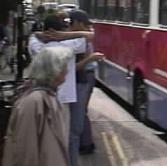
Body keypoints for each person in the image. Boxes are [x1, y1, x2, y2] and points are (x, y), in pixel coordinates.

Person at [28, 14, 96, 166]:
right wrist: (63, 36)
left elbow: (34, 36)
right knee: (64, 137)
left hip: (41, 94)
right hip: (64, 98)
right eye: (64, 29)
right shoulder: (69, 45)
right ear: (57, 31)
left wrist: (44, 34)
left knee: (44, 136)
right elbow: (90, 35)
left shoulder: (35, 43)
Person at [2, 47, 72, 166]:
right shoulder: (33, 102)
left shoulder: (49, 96)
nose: (67, 70)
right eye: (64, 66)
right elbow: (24, 150)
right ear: (54, 70)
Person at [68, 10, 103, 155]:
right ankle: (85, 142)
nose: (69, 26)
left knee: (81, 112)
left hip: (86, 76)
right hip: (86, 75)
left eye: (72, 22)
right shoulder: (80, 36)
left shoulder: (84, 38)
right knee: (82, 111)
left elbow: (81, 61)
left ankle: (86, 144)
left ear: (79, 23)